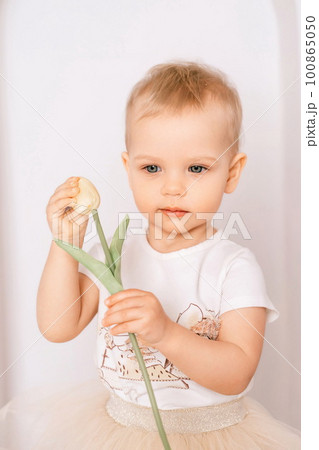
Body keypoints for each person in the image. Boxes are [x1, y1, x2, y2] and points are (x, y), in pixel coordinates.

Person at [0, 61, 301, 449]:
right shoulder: (115, 252)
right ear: (129, 168)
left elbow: (237, 371)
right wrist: (65, 246)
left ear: (231, 172)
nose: (172, 186)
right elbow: (58, 326)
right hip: (121, 431)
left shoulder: (233, 267)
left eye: (196, 167)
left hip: (210, 435)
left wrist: (165, 332)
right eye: (152, 168)